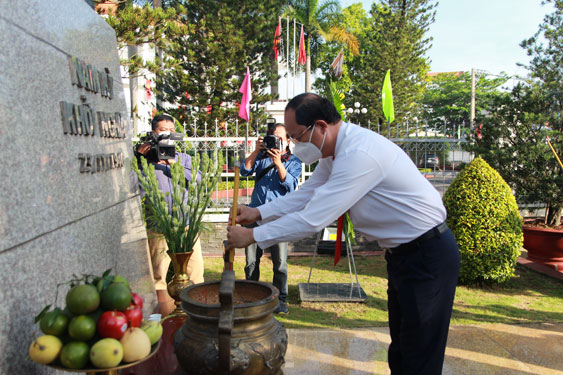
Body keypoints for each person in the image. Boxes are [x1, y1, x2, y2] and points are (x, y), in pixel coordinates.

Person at [227, 93, 460, 374]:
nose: (295, 145)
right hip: (403, 256)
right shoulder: (335, 152)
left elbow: (313, 218)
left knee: (419, 356)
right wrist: (259, 213)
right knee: (401, 348)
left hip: (427, 255)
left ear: (322, 126)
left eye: (298, 136)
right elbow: (308, 194)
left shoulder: (358, 155)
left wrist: (253, 236)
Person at [135, 114, 205, 302]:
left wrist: (172, 163)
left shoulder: (184, 159)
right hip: (158, 227)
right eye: (163, 130)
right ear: (153, 133)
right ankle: (161, 318)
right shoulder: (145, 162)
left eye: (171, 131)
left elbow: (197, 180)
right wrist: (141, 160)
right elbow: (134, 189)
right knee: (157, 277)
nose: (167, 134)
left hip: (186, 225)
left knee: (195, 274)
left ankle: (195, 316)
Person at [240, 123, 302, 314]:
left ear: (288, 141)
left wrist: (278, 163)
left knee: (280, 263)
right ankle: (251, 299)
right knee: (251, 262)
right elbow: (245, 170)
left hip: (278, 219)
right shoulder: (261, 157)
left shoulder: (294, 161)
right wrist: (255, 151)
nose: (275, 141)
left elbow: (291, 186)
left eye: (279, 138)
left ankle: (280, 300)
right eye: (272, 137)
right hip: (254, 215)